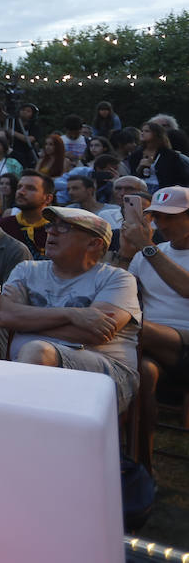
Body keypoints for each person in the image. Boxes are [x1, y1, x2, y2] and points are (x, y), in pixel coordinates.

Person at [0, 207, 140, 412]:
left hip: (104, 378)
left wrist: (25, 322)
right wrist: (73, 314)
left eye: (65, 228)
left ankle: (12, 429)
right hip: (29, 370)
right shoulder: (27, 269)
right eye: (51, 226)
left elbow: (93, 333)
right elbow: (3, 315)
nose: (51, 232)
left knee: (37, 350)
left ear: (94, 243)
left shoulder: (117, 279)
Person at [122, 186, 189, 471]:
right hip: (151, 343)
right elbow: (122, 290)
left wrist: (146, 248)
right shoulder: (148, 253)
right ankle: (143, 467)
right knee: (144, 375)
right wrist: (126, 251)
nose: (162, 224)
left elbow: (185, 288)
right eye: (157, 217)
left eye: (170, 217)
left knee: (132, 329)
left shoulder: (150, 252)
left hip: (180, 336)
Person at [0, 170, 54, 256]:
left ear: (48, 198)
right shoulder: (3, 227)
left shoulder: (58, 229)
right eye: (19, 187)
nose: (21, 192)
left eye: (31, 188)